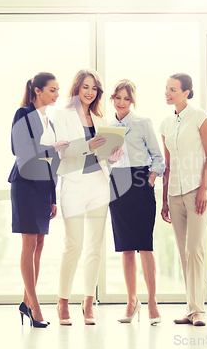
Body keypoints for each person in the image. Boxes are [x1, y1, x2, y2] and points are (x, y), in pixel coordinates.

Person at [54, 69, 121, 325]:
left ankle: (88, 302)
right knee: (74, 245)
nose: (90, 92)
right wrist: (88, 146)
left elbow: (104, 156)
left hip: (98, 185)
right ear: (77, 88)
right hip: (73, 184)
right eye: (86, 87)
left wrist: (112, 157)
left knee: (95, 247)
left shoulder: (99, 117)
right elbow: (62, 151)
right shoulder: (62, 114)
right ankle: (62, 303)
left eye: (94, 88)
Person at [8, 72, 69, 328]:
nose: (56, 94)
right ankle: (34, 305)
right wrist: (52, 148)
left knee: (39, 245)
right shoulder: (23, 114)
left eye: (57, 90)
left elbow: (52, 164)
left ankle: (26, 301)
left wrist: (53, 196)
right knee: (29, 243)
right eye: (52, 90)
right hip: (25, 185)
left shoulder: (49, 121)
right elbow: (19, 150)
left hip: (44, 188)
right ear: (37, 91)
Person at [160, 73, 207, 327]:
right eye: (167, 88)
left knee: (195, 249)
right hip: (174, 194)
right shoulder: (165, 125)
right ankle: (191, 308)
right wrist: (163, 199)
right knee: (184, 252)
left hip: (196, 192)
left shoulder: (199, 116)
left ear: (186, 93)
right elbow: (167, 165)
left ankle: (199, 310)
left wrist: (203, 189)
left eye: (173, 89)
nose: (168, 93)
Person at [108, 79, 165, 325]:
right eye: (118, 97)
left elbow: (158, 157)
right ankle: (132, 302)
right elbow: (105, 162)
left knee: (145, 245)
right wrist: (109, 160)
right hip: (118, 184)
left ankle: (152, 302)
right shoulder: (108, 128)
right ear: (112, 99)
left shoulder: (143, 123)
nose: (122, 102)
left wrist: (150, 179)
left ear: (132, 101)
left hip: (141, 181)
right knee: (126, 247)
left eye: (127, 98)